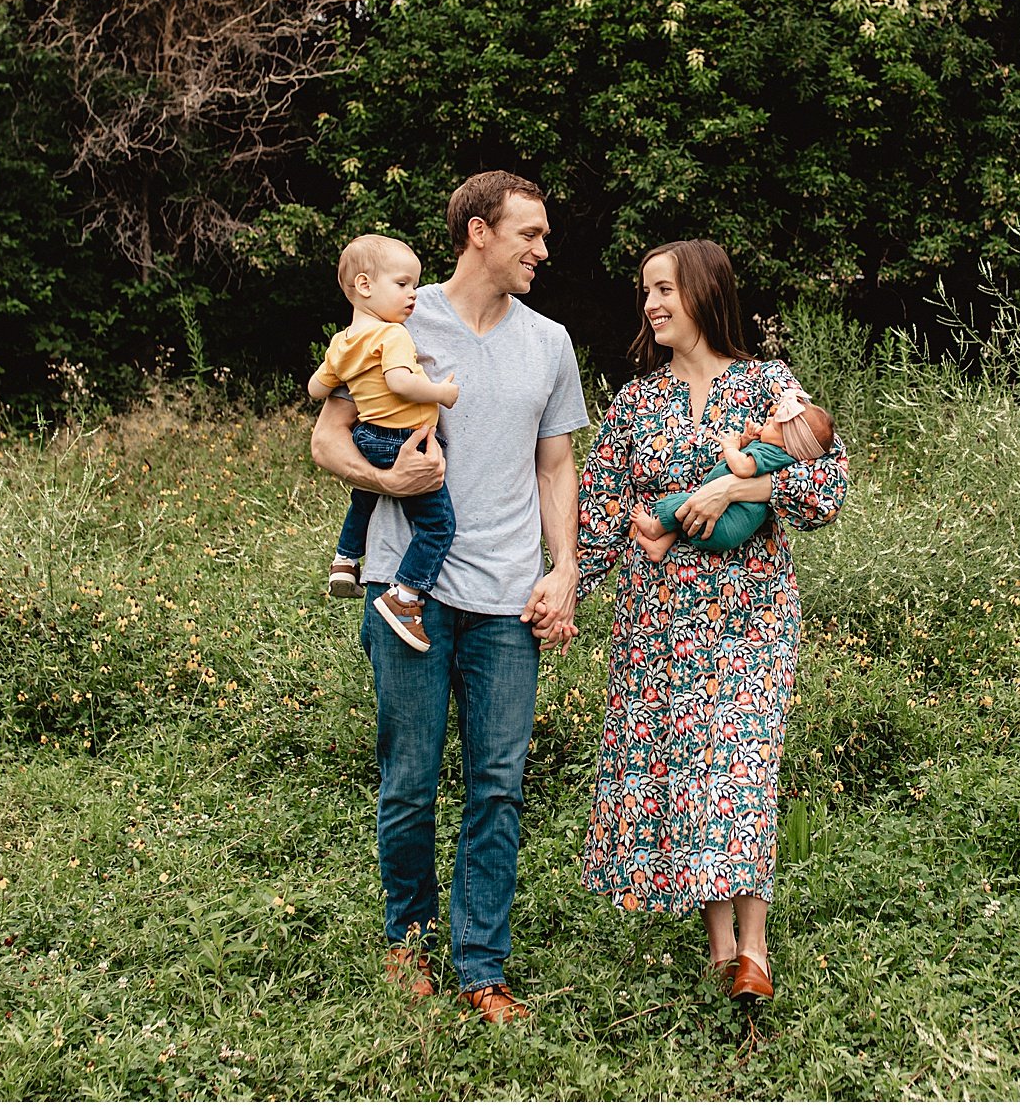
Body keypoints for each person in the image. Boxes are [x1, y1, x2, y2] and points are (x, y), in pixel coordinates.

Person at [310, 172, 587, 1024]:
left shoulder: (551, 341)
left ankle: (481, 967)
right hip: (410, 592)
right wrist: (384, 476)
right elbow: (326, 437)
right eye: (528, 234)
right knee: (410, 778)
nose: (543, 249)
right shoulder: (397, 314)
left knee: (498, 786)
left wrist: (564, 568)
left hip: (509, 598)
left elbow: (555, 465)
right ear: (478, 232)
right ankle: (411, 945)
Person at [572, 239, 849, 1003]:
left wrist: (735, 491)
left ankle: (754, 947)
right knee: (696, 776)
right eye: (645, 292)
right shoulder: (635, 402)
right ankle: (721, 947)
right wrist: (562, 593)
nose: (651, 304)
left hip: (751, 614)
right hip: (660, 622)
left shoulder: (767, 383)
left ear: (701, 290)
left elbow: (825, 486)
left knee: (744, 766)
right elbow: (599, 517)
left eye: (664, 289)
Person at [309, 233, 461, 652]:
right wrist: (440, 394)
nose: (413, 294)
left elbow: (315, 389)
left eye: (415, 284)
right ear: (364, 286)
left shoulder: (341, 343)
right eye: (403, 284)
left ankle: (344, 560)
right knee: (437, 525)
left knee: (365, 496)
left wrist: (347, 376)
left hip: (368, 437)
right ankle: (405, 596)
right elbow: (399, 381)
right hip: (401, 440)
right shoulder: (392, 334)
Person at [629, 385, 836, 561]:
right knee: (689, 513)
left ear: (788, 443)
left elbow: (742, 468)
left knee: (684, 503)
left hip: (724, 524)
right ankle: (660, 546)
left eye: (773, 424)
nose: (768, 419)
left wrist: (730, 447)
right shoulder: (775, 452)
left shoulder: (774, 454)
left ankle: (654, 528)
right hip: (726, 525)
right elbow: (747, 461)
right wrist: (747, 440)